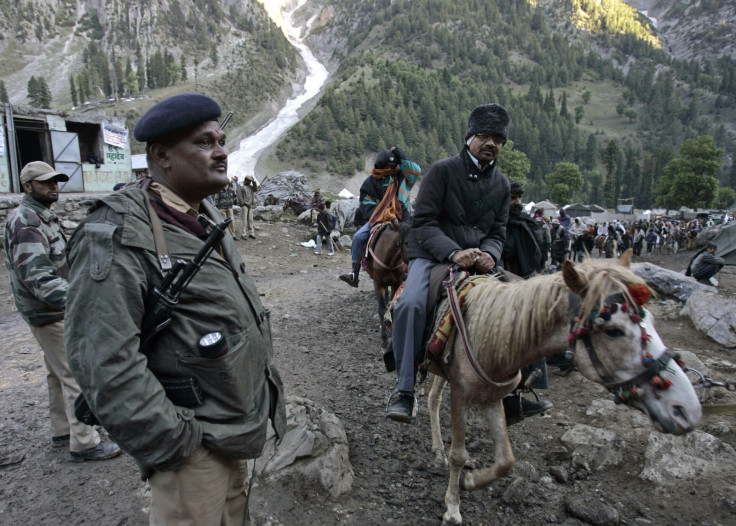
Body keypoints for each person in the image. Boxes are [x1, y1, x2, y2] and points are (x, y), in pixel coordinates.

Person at [64, 94, 286, 525]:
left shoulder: (201, 215)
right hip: (192, 447)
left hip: (229, 431)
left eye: (221, 140)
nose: (221, 151)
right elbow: (103, 363)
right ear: (162, 156)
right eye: (204, 142)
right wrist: (178, 442)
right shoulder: (117, 231)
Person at [385, 103, 511, 422]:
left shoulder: (503, 185)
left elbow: (497, 232)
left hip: (479, 260)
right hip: (432, 255)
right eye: (484, 135)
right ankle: (405, 390)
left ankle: (520, 391)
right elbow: (423, 222)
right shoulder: (442, 171)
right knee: (410, 304)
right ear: (470, 137)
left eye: (498, 139)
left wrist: (490, 254)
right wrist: (454, 252)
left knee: (524, 297)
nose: (492, 143)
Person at [4, 161, 121, 462]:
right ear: (27, 187)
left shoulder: (42, 216)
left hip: (49, 311)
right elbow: (38, 277)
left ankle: (63, 430)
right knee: (74, 373)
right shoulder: (27, 221)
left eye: (56, 181)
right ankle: (84, 442)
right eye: (45, 182)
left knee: (56, 374)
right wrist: (81, 300)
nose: (54, 186)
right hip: (50, 312)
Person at [498, 180, 552, 424]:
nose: (517, 202)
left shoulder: (525, 224)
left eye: (519, 197)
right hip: (497, 285)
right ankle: (508, 397)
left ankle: (519, 393)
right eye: (513, 197)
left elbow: (535, 255)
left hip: (522, 283)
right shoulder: (494, 223)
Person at [339, 147, 421, 287]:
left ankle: (414, 272)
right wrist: (380, 216)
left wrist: (399, 152)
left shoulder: (402, 177)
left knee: (413, 239)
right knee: (359, 237)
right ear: (382, 166)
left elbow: (416, 170)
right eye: (390, 166)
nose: (394, 168)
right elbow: (365, 202)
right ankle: (354, 274)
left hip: (402, 218)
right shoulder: (370, 182)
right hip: (378, 219)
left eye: (395, 165)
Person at [237, 175, 259, 240]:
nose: (250, 182)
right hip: (244, 205)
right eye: (249, 181)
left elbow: (256, 189)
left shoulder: (251, 187)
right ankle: (243, 234)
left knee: (250, 220)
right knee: (244, 220)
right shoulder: (241, 186)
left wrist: (254, 182)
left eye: (250, 181)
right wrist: (242, 203)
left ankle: (251, 233)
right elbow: (239, 195)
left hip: (250, 205)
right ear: (246, 180)